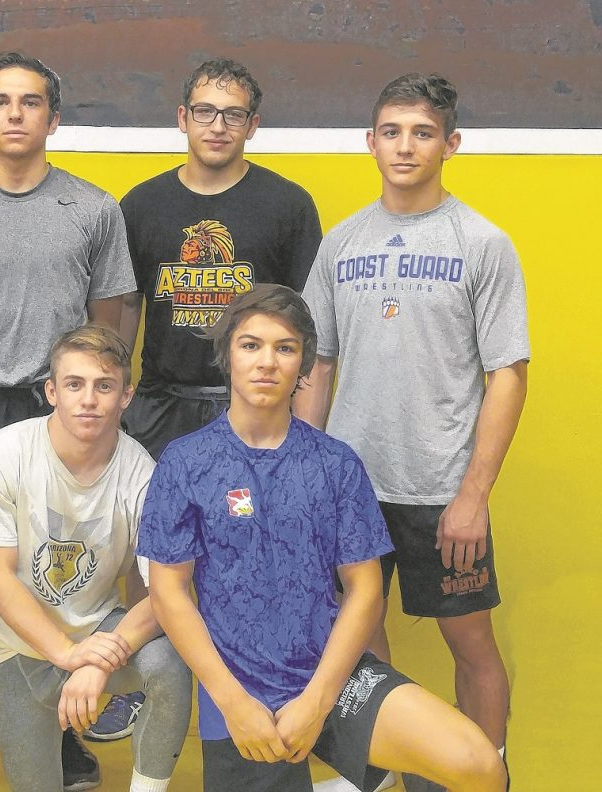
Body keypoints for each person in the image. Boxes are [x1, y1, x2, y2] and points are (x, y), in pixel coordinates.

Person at [138, 285, 508, 792]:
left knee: (479, 766)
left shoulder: (335, 464)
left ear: (304, 365)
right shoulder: (184, 462)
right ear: (227, 354)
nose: (267, 361)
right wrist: (231, 701)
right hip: (240, 700)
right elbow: (169, 593)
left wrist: (316, 702)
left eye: (285, 348)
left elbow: (365, 590)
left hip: (334, 680)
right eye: (251, 345)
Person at [295, 74, 529, 791]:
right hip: (353, 488)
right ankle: (372, 771)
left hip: (440, 491)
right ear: (370, 142)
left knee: (472, 643)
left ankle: (485, 768)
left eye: (422, 133)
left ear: (450, 144)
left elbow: (509, 375)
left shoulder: (482, 243)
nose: (405, 146)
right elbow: (317, 364)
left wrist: (473, 494)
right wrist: (308, 473)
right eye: (391, 132)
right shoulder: (340, 244)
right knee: (358, 639)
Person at [0, 51, 137, 788]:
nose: (16, 114)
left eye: (31, 102)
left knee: (65, 565)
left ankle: (58, 714)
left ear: (53, 117)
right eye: (1, 102)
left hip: (57, 406)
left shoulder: (93, 209)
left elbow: (108, 324)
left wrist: (90, 404)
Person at [102, 56, 323, 744]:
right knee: (149, 560)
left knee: (259, 554)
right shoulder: (140, 205)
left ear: (253, 125)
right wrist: (115, 400)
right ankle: (144, 684)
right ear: (182, 119)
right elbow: (122, 314)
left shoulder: (287, 205)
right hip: (163, 406)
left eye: (233, 113)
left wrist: (305, 432)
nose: (217, 125)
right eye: (205, 110)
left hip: (250, 411)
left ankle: (257, 690)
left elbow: (304, 328)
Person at [0, 325, 191, 792]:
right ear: (51, 392)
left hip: (99, 630)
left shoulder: (143, 474)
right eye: (74, 384)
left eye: (104, 386)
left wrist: (95, 660)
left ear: (126, 395)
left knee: (169, 664)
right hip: (16, 646)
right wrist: (65, 653)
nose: (89, 399)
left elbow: (169, 594)